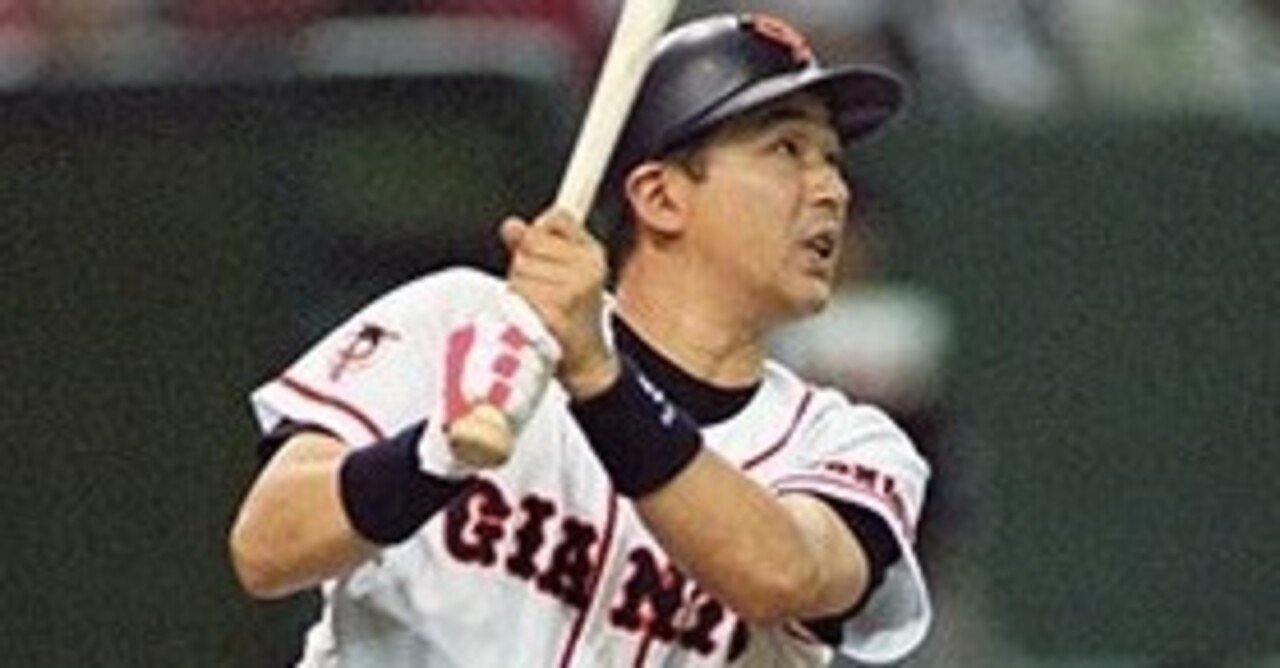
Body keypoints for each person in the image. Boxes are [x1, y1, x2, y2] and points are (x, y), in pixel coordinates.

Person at [229, 12, 932, 667]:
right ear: (660, 197)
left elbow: (780, 574)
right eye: (787, 149)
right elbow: (267, 547)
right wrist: (432, 454)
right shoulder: (464, 320)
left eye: (831, 159)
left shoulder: (845, 444)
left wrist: (600, 377)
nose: (832, 190)